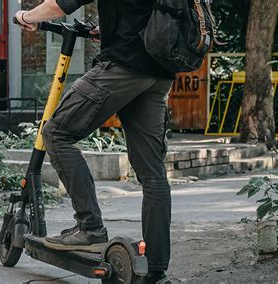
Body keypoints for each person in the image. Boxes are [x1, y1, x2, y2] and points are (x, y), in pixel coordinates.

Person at [15, 0, 174, 283]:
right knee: (153, 175)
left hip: (124, 65)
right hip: (159, 72)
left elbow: (60, 5)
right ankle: (156, 266)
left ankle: (90, 229)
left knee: (56, 133)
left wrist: (26, 16)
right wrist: (109, 28)